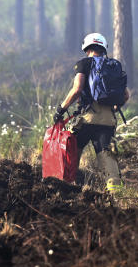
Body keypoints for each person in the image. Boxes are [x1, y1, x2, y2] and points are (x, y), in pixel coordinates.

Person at [54, 32, 130, 195]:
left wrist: (61, 109)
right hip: (108, 121)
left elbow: (77, 90)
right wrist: (114, 107)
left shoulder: (84, 64)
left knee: (72, 153)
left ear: (87, 48)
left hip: (86, 120)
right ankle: (116, 196)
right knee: (108, 157)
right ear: (103, 48)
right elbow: (126, 95)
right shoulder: (114, 65)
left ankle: (66, 190)